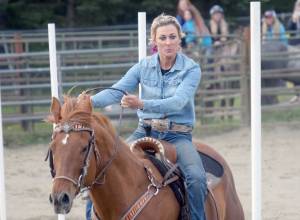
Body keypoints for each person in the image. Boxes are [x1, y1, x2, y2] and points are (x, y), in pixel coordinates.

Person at [90, 14, 207, 220]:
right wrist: (87, 102)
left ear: (180, 38)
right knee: (100, 172)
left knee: (196, 178)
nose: (168, 42)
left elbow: (178, 102)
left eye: (172, 37)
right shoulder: (143, 66)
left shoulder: (191, 69)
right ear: (154, 41)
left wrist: (141, 104)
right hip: (144, 130)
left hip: (177, 136)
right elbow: (116, 91)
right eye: (163, 38)